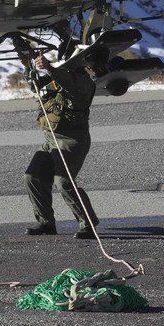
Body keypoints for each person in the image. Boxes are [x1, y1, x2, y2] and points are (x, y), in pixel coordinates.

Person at [22, 52, 99, 239]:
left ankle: (88, 224)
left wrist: (49, 68)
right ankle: (46, 223)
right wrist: (27, 66)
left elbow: (69, 85)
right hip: (51, 140)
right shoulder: (56, 78)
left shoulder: (83, 82)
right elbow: (36, 87)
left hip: (72, 140)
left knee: (63, 182)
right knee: (32, 177)